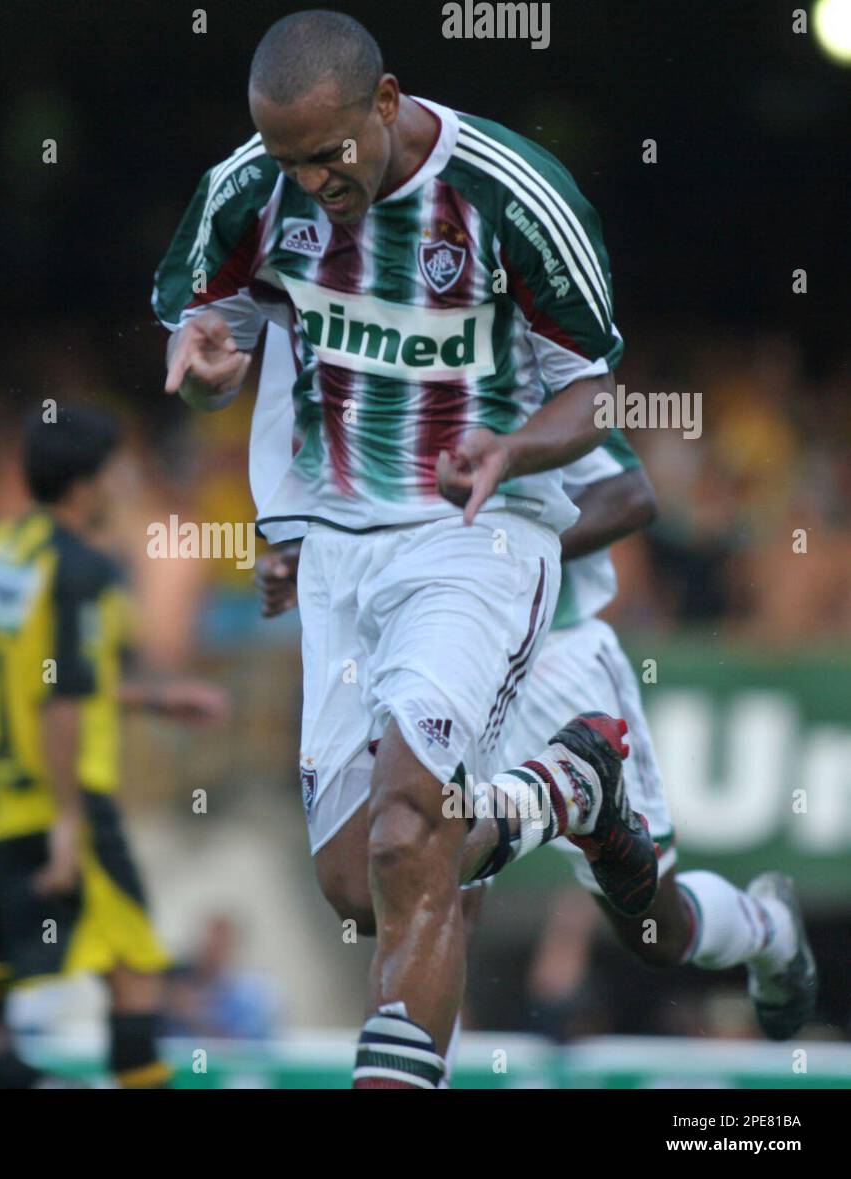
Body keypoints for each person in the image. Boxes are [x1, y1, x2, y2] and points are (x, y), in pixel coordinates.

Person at [154, 9, 658, 1087]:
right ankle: (566, 792)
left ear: (386, 100)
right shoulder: (251, 186)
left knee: (402, 840)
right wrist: (200, 353)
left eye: (330, 153)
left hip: (473, 540)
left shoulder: (511, 195)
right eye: (290, 160)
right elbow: (215, 322)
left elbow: (589, 394)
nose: (315, 182)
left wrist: (512, 449)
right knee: (356, 880)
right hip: (339, 551)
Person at [256, 328, 818, 1044]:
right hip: (433, 656)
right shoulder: (356, 377)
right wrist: (306, 556)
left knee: (653, 927)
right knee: (430, 890)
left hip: (554, 653)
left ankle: (765, 926)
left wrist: (492, 552)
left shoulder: (501, 363)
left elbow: (630, 495)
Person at [0, 405, 226, 1088]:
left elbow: (12, 678)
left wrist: (145, 697)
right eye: (118, 471)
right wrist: (65, 818)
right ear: (89, 483)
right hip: (62, 801)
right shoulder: (83, 569)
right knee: (135, 971)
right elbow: (59, 696)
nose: (124, 484)